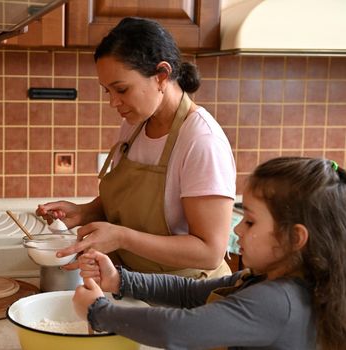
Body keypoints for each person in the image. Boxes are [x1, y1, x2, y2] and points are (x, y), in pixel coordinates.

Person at [73, 157, 346, 349]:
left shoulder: (278, 302)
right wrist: (120, 281)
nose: (237, 230)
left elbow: (178, 329)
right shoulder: (262, 278)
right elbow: (192, 293)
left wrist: (99, 311)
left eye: (249, 221)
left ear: (295, 238)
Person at [36, 16, 236, 278]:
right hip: (136, 282)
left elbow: (210, 252)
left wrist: (121, 238)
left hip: (188, 296)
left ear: (161, 76)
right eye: (108, 91)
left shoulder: (201, 141)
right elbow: (131, 205)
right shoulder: (137, 123)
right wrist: (85, 212)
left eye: (122, 89)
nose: (113, 103)